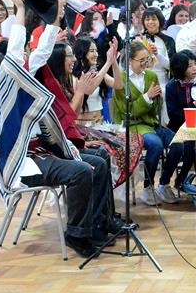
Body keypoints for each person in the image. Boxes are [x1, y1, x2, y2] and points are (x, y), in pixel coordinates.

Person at [0, 0, 115, 258]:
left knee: (96, 162)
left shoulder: (12, 91)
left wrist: (53, 20)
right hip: (22, 165)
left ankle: (96, 226)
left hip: (39, 154)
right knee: (81, 171)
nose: (15, 66)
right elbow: (16, 52)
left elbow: (39, 55)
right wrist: (19, 9)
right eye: (7, 65)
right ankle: (77, 234)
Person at [58, 37, 144, 189]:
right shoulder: (74, 77)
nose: (96, 54)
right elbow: (89, 89)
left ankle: (111, 187)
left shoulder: (99, 73)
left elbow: (118, 85)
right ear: (82, 53)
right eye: (92, 51)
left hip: (100, 124)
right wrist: (108, 63)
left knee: (131, 140)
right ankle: (104, 186)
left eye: (96, 50)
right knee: (110, 147)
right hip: (84, 128)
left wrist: (114, 62)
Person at [113, 40, 183, 206]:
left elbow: (155, 110)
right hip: (133, 126)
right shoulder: (121, 80)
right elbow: (127, 112)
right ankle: (148, 187)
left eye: (148, 59)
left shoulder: (151, 76)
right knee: (156, 145)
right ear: (130, 60)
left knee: (178, 143)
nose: (146, 63)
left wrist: (158, 99)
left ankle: (164, 183)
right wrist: (147, 97)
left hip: (152, 123)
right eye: (141, 60)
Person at [164, 50, 196, 191]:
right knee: (189, 144)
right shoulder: (171, 86)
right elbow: (173, 113)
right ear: (181, 69)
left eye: (195, 64)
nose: (194, 68)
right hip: (178, 127)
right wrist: (191, 110)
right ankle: (177, 180)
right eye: (189, 66)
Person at [140, 7, 177, 124]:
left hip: (162, 82)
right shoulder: (137, 39)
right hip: (142, 81)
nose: (150, 22)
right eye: (147, 19)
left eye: (153, 19)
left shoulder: (168, 40)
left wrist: (157, 54)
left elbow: (172, 66)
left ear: (160, 21)